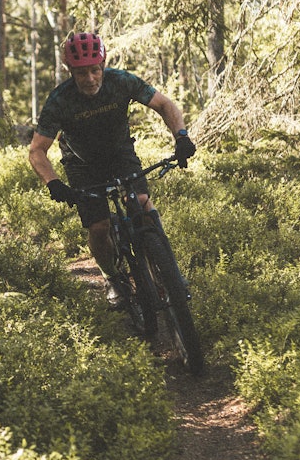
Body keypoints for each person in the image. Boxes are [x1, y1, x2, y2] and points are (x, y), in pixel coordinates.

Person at [27, 31, 196, 306]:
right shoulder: (60, 100)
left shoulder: (121, 82)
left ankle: (170, 273)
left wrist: (182, 137)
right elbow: (37, 150)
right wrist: (53, 182)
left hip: (119, 153)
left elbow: (164, 105)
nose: (90, 79)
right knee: (99, 226)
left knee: (142, 203)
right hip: (81, 163)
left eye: (95, 70)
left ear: (103, 65)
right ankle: (112, 278)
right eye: (82, 73)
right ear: (70, 71)